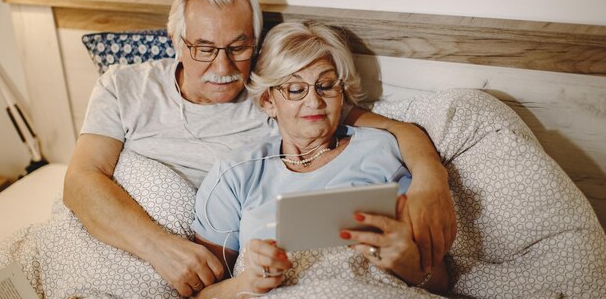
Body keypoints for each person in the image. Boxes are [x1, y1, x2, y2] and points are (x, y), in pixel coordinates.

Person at [63, 0, 455, 297]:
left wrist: (430, 181)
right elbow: (81, 181)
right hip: (119, 238)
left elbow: (392, 128)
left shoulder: (280, 94)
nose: (223, 66)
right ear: (177, 44)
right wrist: (160, 248)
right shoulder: (124, 85)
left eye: (238, 46)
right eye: (203, 48)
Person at [190, 22, 448, 298]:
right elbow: (202, 293)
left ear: (343, 93)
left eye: (325, 86)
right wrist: (248, 282)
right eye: (295, 89)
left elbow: (441, 282)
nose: (314, 102)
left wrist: (410, 264)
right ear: (268, 100)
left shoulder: (381, 150)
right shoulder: (236, 174)